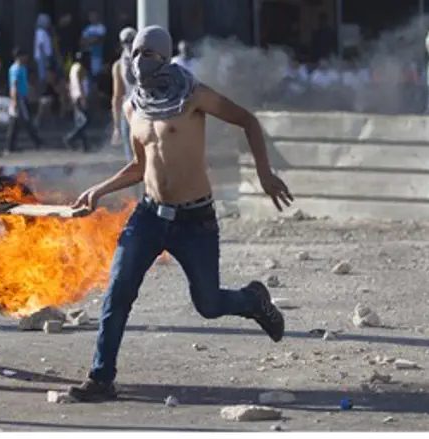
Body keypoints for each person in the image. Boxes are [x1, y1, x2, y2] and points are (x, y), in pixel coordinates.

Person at [67, 26, 292, 402]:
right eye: (136, 54)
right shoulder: (133, 107)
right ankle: (101, 377)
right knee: (118, 292)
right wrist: (99, 190)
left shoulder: (192, 95)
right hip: (149, 216)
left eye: (149, 54)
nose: (140, 61)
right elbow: (139, 167)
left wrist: (265, 174)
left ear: (165, 57)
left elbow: (248, 121)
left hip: (194, 220)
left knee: (209, 305)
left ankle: (253, 300)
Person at [6, 47, 44, 152]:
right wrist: (14, 100)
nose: (26, 58)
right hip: (19, 97)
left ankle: (11, 145)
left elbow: (24, 83)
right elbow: (14, 85)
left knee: (16, 123)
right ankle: (37, 141)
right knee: (25, 120)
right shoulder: (15, 69)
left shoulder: (22, 68)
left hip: (23, 96)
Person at [111, 27, 137, 161]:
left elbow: (117, 97)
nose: (129, 44)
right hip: (132, 111)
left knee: (134, 157)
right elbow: (117, 96)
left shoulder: (120, 64)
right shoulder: (119, 65)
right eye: (127, 41)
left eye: (131, 40)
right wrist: (116, 126)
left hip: (136, 111)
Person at [64, 51, 92, 152]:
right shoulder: (80, 68)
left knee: (79, 121)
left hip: (75, 97)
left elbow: (71, 83)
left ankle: (85, 145)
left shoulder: (73, 67)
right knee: (85, 121)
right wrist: (83, 98)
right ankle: (70, 138)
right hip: (80, 97)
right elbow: (79, 84)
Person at [80, 11, 107, 77]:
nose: (92, 18)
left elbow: (99, 39)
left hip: (98, 55)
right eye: (90, 16)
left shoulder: (101, 27)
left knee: (97, 75)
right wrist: (91, 40)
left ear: (97, 16)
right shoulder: (87, 28)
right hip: (88, 55)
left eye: (93, 16)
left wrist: (89, 40)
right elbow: (81, 41)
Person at [34, 13, 54, 87]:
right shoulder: (41, 32)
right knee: (43, 75)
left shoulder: (44, 32)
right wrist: (44, 59)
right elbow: (41, 46)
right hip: (42, 57)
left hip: (44, 57)